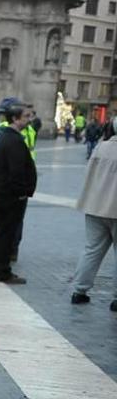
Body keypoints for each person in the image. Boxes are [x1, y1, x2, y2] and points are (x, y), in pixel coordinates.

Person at [0, 103, 36, 284]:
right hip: (9, 195)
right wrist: (21, 193)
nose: (29, 119)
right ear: (15, 119)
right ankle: (2, 271)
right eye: (26, 116)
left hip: (0, 192)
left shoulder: (5, 136)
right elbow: (16, 171)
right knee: (5, 233)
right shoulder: (14, 140)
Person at [69, 118, 117, 310]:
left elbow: (89, 174)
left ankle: (79, 291)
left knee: (92, 250)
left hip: (95, 206)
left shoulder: (101, 147)